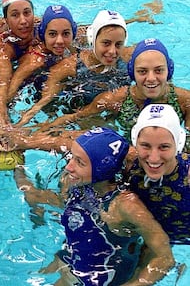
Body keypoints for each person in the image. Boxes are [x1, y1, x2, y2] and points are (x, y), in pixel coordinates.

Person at [17, 127, 174, 285]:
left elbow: (165, 259)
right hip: (70, 260)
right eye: (72, 157)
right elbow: (60, 203)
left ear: (101, 169)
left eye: (80, 162)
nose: (68, 167)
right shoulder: (74, 182)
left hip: (105, 278)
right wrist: (18, 169)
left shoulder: (126, 206)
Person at [39, 38, 190, 141]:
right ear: (132, 73)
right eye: (142, 71)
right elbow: (76, 117)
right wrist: (39, 131)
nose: (151, 78)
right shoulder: (113, 99)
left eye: (158, 71)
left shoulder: (185, 101)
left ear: (169, 71)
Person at [17, 9, 134, 126]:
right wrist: (19, 125)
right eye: (106, 43)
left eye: (118, 44)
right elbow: (42, 103)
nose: (112, 51)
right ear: (92, 40)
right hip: (82, 113)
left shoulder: (128, 57)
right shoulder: (70, 66)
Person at [128, 103, 190, 244]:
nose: (154, 158)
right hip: (142, 236)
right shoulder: (128, 163)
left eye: (164, 147)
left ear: (178, 145)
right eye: (145, 145)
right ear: (135, 142)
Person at [6, 4, 78, 104]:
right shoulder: (35, 60)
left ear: (73, 33)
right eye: (52, 34)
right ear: (43, 34)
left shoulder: (72, 46)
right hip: (31, 92)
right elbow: (12, 87)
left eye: (66, 33)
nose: (60, 41)